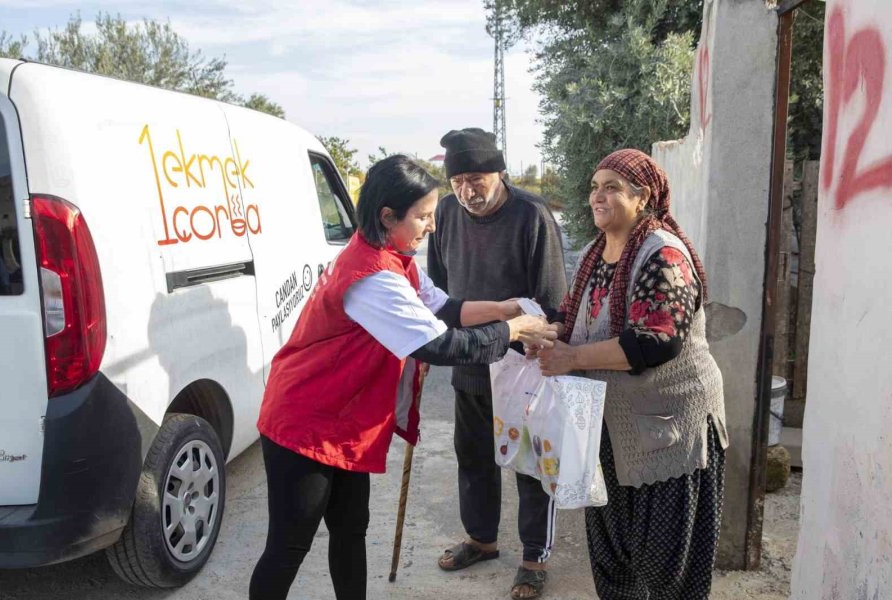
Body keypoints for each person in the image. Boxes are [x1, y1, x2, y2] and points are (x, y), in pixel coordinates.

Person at [249, 155, 555, 600]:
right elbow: (442, 346)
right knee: (289, 545)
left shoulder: (396, 258)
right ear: (387, 216)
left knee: (351, 529)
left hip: (344, 418)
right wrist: (513, 331)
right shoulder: (370, 276)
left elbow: (445, 308)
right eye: (423, 216)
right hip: (305, 420)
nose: (432, 226)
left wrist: (504, 308)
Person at [536, 149, 729, 600]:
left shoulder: (663, 254)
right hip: (611, 430)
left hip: (670, 432)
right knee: (614, 557)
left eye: (612, 188)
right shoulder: (594, 254)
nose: (597, 196)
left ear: (642, 198)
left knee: (666, 568)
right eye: (594, 187)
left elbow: (656, 342)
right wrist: (544, 333)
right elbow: (570, 313)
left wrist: (571, 357)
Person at [427, 128, 568, 600]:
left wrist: (546, 345)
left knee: (531, 462)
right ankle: (481, 540)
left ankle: (534, 558)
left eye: (476, 179)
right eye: (458, 182)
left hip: (521, 364)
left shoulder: (531, 214)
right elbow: (438, 291)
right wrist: (430, 338)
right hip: (469, 358)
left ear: (500, 173)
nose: (467, 191)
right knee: (472, 456)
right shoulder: (447, 213)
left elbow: (551, 297)